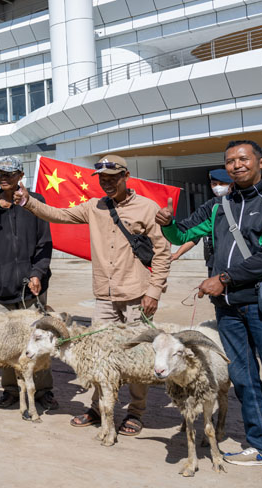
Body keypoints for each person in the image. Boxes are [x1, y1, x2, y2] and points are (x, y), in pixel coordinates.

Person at [156, 140, 262, 488]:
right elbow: (183, 233)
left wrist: (224, 278)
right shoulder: (217, 206)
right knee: (244, 381)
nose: (236, 165)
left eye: (243, 159)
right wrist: (167, 224)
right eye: (230, 161)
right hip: (227, 309)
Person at [16, 154, 170, 437]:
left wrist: (154, 291)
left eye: (112, 178)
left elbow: (162, 251)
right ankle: (99, 408)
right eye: (102, 179)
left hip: (137, 295)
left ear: (125, 177)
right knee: (98, 355)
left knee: (138, 355)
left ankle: (135, 412)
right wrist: (29, 202)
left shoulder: (147, 208)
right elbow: (59, 215)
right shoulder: (94, 207)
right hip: (105, 296)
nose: (107, 183)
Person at [0, 156, 54, 410]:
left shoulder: (34, 202)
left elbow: (45, 243)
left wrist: (37, 273)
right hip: (2, 287)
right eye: (0, 174)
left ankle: (43, 390)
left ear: (20, 176)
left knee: (37, 339)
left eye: (9, 173)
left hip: (32, 286)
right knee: (6, 342)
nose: (3, 177)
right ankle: (10, 389)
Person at [169, 168, 233, 268]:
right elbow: (193, 236)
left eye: (222, 184)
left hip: (237, 262)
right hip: (214, 262)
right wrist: (178, 254)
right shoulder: (210, 207)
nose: (218, 187)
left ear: (231, 184)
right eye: (214, 184)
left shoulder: (241, 204)